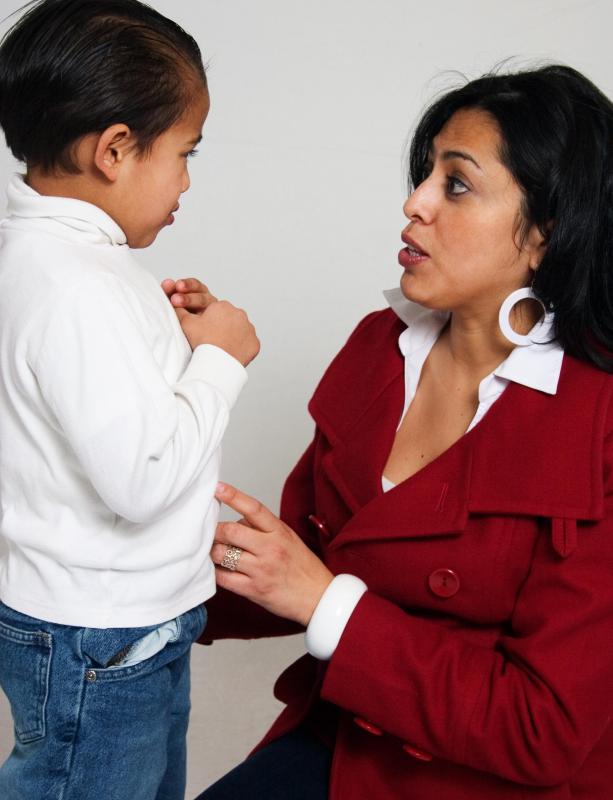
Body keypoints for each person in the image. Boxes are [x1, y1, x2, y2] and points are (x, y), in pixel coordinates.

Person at [189, 64, 613, 799]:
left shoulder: (598, 418)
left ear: (546, 229)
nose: (413, 204)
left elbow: (541, 727)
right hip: (344, 739)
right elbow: (302, 559)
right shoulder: (378, 346)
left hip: (489, 782)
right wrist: (127, 575)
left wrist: (325, 604)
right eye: (423, 175)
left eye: (455, 184)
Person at [0, 2, 259, 799]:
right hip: (103, 637)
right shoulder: (81, 286)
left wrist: (172, 341)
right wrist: (220, 359)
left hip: (100, 626)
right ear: (115, 149)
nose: (185, 180)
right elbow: (141, 478)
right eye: (184, 152)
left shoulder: (51, 263)